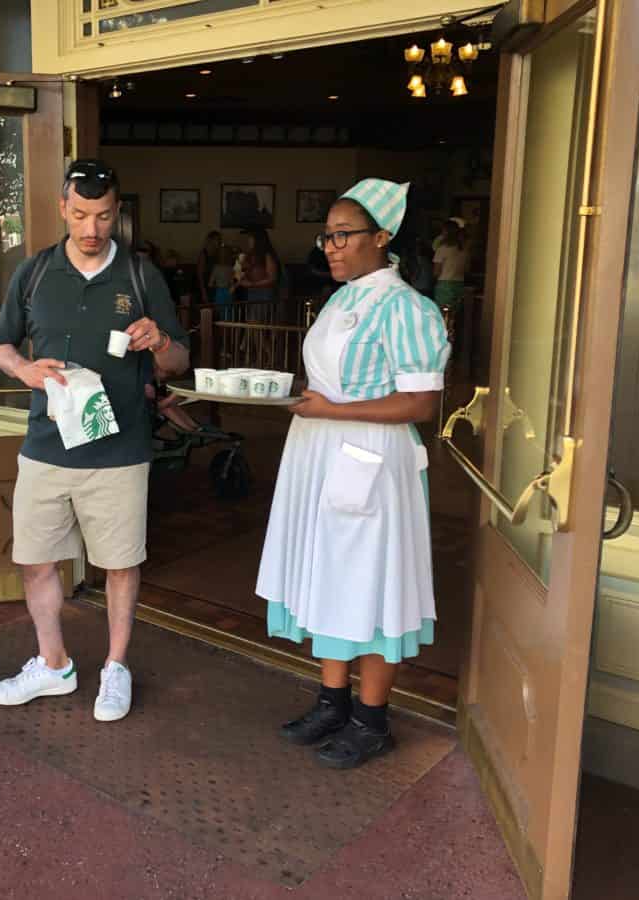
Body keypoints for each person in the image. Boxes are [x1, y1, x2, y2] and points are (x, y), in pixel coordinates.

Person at [256, 180, 450, 769]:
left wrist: (332, 410)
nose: (331, 248)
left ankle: (372, 719)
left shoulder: (407, 309)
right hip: (320, 448)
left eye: (343, 235)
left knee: (369, 581)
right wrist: (299, 395)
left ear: (383, 237)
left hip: (369, 460)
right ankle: (332, 701)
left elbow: (420, 404)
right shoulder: (342, 299)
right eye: (328, 236)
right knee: (329, 572)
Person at [0, 159, 189, 722]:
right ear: (62, 208)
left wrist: (161, 342)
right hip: (46, 447)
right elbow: (1, 345)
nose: (91, 228)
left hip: (119, 451)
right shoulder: (33, 273)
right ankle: (53, 665)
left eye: (102, 216)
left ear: (116, 213)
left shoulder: (141, 275)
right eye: (80, 214)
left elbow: (179, 360)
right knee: (35, 561)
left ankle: (116, 667)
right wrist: (24, 370)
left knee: (121, 564)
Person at [236, 226, 281, 304]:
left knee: (259, 314)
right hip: (251, 293)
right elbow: (244, 272)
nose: (248, 240)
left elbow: (272, 278)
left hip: (264, 293)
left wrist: (252, 284)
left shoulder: (267, 255)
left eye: (251, 238)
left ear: (258, 240)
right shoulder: (250, 255)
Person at [433, 217, 469, 312]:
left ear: (446, 232)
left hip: (445, 284)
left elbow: (437, 271)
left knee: (442, 315)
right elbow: (466, 268)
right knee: (454, 315)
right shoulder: (463, 249)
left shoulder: (442, 248)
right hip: (459, 284)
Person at [208, 244, 235, 318]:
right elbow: (232, 283)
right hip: (228, 292)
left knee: (220, 314)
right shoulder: (230, 268)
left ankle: (221, 328)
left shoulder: (216, 268)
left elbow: (210, 284)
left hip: (219, 292)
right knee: (228, 314)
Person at [196, 230, 222, 303]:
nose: (219, 242)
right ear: (211, 240)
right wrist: (203, 292)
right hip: (205, 286)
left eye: (219, 240)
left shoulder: (217, 254)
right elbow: (199, 274)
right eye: (217, 239)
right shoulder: (204, 254)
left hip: (213, 287)